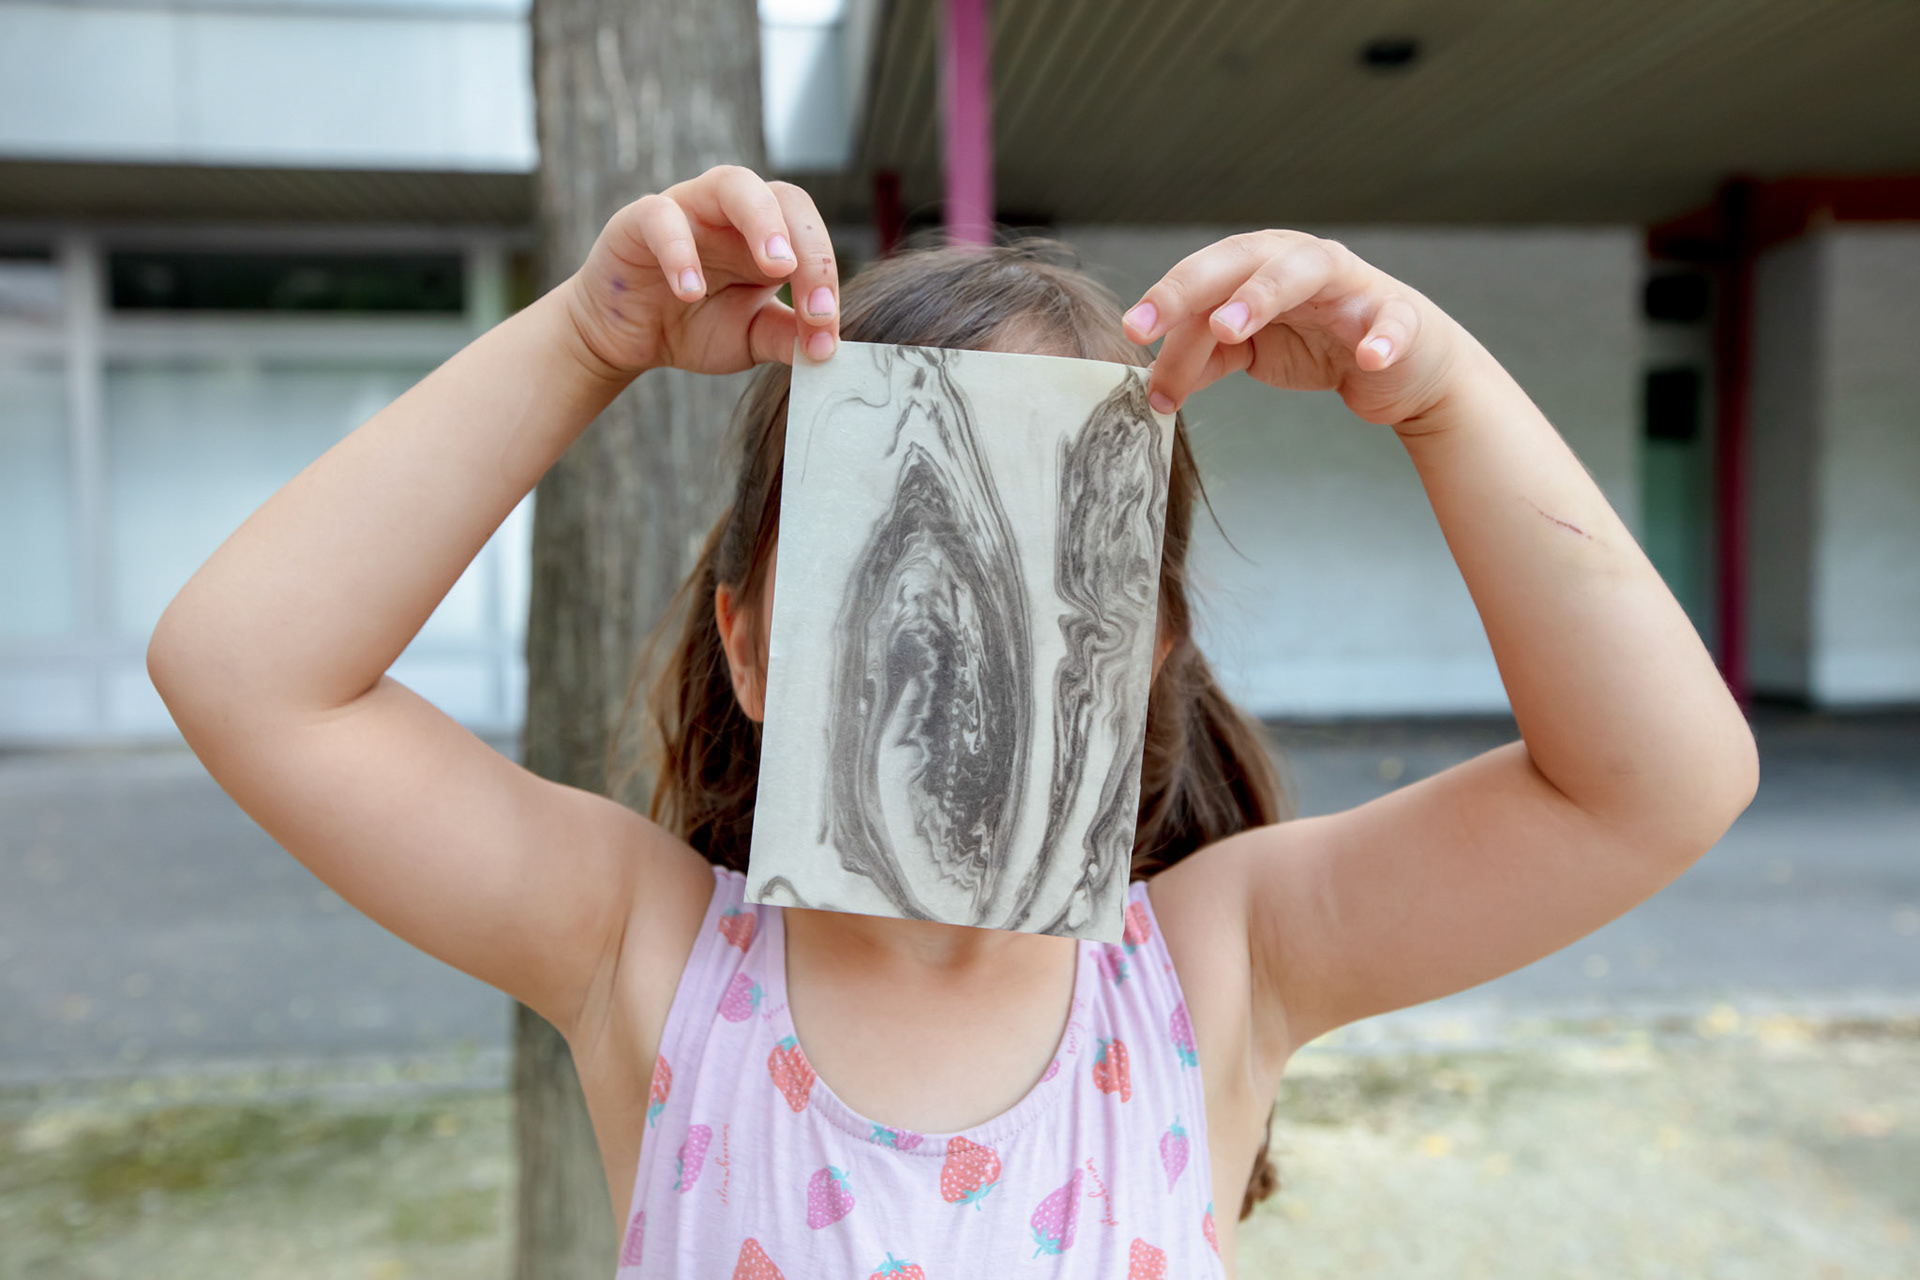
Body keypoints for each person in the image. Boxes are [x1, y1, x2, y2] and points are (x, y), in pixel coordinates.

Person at [146, 164, 1759, 1278]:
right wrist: (590, 337)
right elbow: (246, 671)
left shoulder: (1218, 970)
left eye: (1064, 572)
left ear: (1147, 663)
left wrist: (1444, 392)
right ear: (749, 649)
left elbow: (1655, 787)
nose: (970, 636)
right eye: (887, 562)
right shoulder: (643, 958)